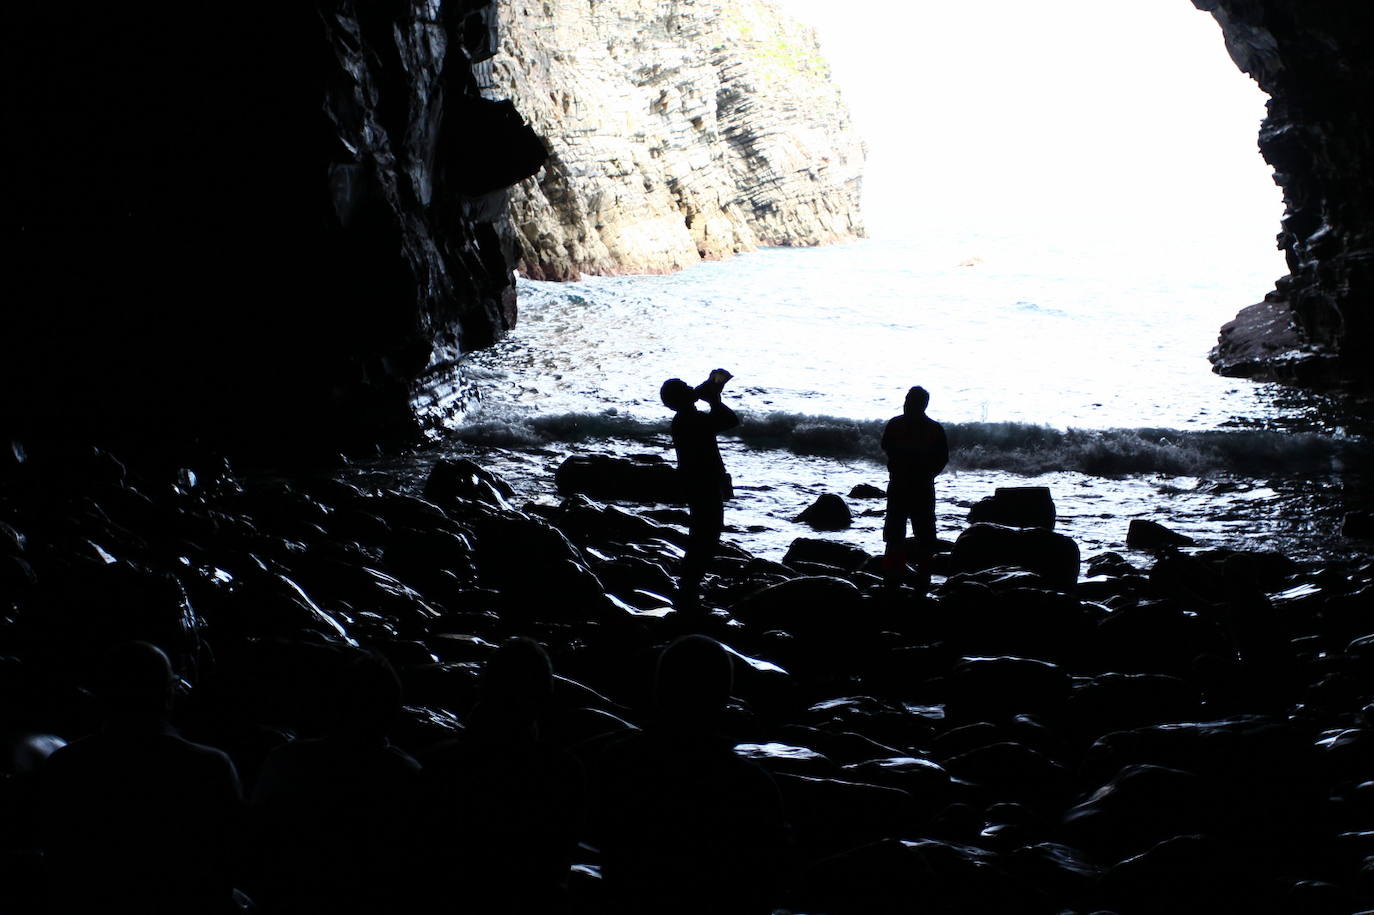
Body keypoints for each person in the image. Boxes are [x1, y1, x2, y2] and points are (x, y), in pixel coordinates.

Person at [37, 640, 244, 914]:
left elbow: (55, 855)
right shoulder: (210, 766)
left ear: (101, 695)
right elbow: (231, 855)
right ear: (169, 693)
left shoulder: (66, 764)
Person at [593, 635, 787, 915]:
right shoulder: (753, 787)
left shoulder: (616, 763)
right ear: (724, 700)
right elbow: (769, 883)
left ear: (659, 691)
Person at [660, 369, 739, 610]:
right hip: (702, 483)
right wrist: (714, 400)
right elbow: (730, 421)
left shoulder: (686, 419)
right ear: (680, 398)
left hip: (698, 482)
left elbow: (724, 422)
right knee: (706, 536)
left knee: (703, 534)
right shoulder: (690, 419)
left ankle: (689, 586)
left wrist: (713, 399)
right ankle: (689, 589)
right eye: (684, 388)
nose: (690, 388)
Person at [881, 385, 948, 586]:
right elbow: (942, 458)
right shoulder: (934, 428)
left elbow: (886, 447)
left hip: (901, 485)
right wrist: (928, 474)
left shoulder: (896, 424)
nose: (905, 404)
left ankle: (893, 578)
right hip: (922, 487)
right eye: (906, 400)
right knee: (923, 534)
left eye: (909, 400)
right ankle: (921, 579)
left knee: (897, 533)